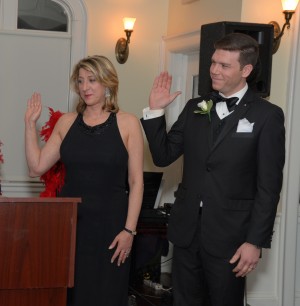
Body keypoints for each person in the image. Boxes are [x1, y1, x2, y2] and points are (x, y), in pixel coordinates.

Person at [141, 33, 285, 306]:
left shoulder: (267, 116)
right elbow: (162, 156)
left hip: (231, 237)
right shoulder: (196, 107)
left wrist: (255, 242)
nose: (214, 70)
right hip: (186, 233)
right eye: (213, 62)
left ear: (246, 70)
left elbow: (269, 186)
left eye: (224, 65)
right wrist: (155, 112)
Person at [25, 55, 144, 306]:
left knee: (107, 294)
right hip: (70, 225)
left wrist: (129, 231)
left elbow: (136, 182)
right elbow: (36, 167)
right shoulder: (66, 122)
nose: (85, 87)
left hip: (112, 227)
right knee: (70, 294)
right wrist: (29, 126)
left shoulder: (128, 123)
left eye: (92, 80)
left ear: (108, 83)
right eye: (80, 81)